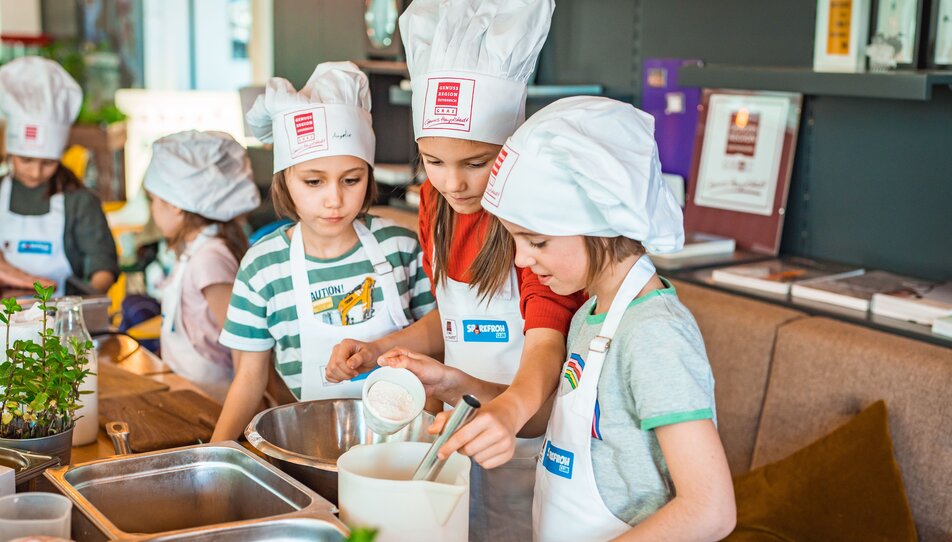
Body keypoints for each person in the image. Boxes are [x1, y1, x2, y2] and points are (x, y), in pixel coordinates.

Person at [326, 2, 583, 540]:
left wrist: (470, 391)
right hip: (461, 430)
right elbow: (452, 320)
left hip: (530, 443)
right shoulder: (436, 204)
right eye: (434, 161)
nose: (453, 183)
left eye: (475, 163)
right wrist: (379, 350)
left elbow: (545, 355)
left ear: (509, 150)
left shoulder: (535, 229)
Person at [478, 96, 736, 540]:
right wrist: (455, 387)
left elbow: (710, 509)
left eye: (536, 241)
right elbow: (557, 425)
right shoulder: (589, 315)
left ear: (600, 225)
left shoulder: (654, 333)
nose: (522, 260)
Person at [210, 62, 436, 441]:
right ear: (285, 180)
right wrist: (215, 456)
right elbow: (248, 380)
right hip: (310, 444)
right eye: (314, 181)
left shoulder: (400, 246)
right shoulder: (263, 266)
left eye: (352, 180)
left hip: (405, 443)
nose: (334, 199)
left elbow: (439, 337)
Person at [143, 130, 261, 402]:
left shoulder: (209, 258)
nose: (152, 211)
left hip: (215, 400)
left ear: (175, 206)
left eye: (153, 201)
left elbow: (243, 344)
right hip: (189, 393)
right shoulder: (194, 251)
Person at [0, 56, 118, 295]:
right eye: (25, 160)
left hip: (60, 319)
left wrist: (81, 304)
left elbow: (102, 265)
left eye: (47, 163)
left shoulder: (80, 201)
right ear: (8, 152)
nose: (35, 172)